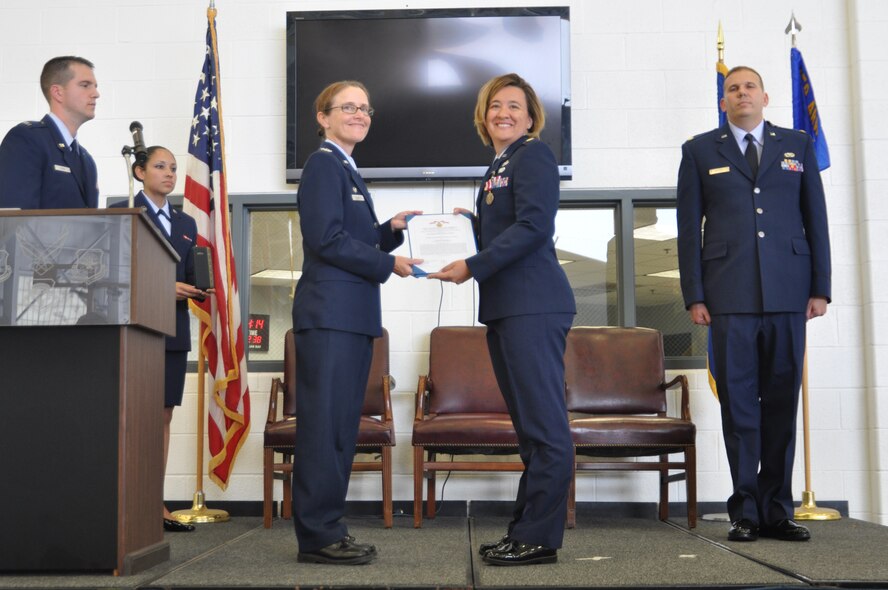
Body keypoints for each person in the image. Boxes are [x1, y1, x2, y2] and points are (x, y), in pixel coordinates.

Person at [676, 66, 831, 543]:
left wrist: (820, 287)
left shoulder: (798, 145)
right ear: (723, 101)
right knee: (740, 408)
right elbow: (687, 230)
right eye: (731, 88)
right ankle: (745, 510)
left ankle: (777, 510)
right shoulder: (700, 150)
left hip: (789, 293)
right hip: (729, 298)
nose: (740, 93)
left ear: (765, 96)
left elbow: (816, 219)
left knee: (781, 405)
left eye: (748, 87)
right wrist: (695, 295)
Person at [430, 73, 576, 566]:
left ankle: (539, 536)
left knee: (545, 428)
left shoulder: (532, 154)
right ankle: (526, 530)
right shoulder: (501, 163)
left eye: (515, 106)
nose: (504, 113)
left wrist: (471, 262)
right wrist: (468, 228)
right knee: (530, 428)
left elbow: (535, 226)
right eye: (495, 106)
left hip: (533, 304)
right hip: (510, 307)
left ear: (531, 117)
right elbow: (510, 227)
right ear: (483, 116)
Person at [291, 80, 420, 565]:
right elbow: (326, 240)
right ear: (322, 117)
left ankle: (328, 529)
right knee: (325, 430)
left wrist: (388, 232)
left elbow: (351, 239)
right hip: (330, 319)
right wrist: (391, 263)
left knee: (340, 429)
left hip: (350, 318)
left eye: (365, 107)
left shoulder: (345, 168)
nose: (360, 114)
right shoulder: (323, 165)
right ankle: (318, 536)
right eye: (348, 107)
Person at [111, 146, 209, 533]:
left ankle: (155, 502)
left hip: (172, 329)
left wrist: (200, 289)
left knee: (163, 416)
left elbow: (189, 277)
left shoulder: (185, 223)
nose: (169, 174)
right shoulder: (122, 212)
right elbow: (110, 273)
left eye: (172, 168)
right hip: (132, 328)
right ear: (139, 172)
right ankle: (125, 502)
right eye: (159, 167)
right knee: (130, 417)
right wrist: (162, 287)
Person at [0, 56, 100, 209]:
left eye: (95, 86)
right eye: (85, 85)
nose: (95, 94)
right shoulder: (27, 139)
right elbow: (15, 220)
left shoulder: (86, 159)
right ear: (57, 92)